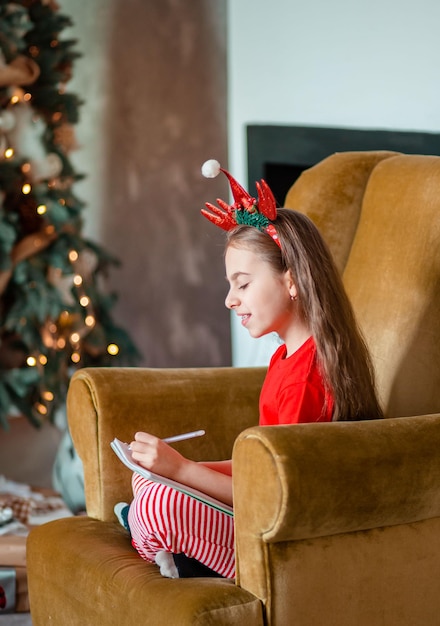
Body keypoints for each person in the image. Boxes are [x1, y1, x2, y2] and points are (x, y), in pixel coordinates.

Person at [121, 159, 383, 579]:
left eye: (242, 284)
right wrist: (187, 469)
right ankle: (156, 531)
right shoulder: (285, 358)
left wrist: (185, 473)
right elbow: (258, 470)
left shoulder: (307, 381)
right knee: (149, 483)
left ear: (292, 281)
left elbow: (277, 494)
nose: (230, 299)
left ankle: (170, 550)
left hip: (280, 536)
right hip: (260, 505)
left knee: (158, 503)